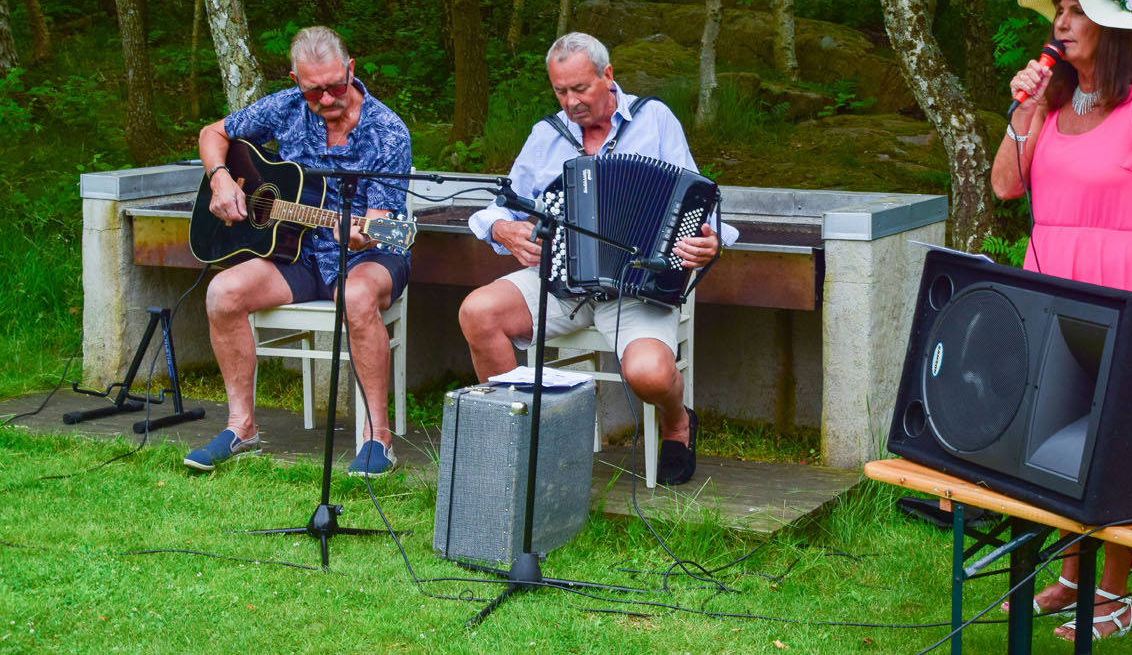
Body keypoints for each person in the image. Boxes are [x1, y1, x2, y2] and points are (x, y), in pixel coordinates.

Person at [991, 0, 1132, 643]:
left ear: (1109, 25)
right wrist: (1023, 108)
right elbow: (1005, 186)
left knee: (1111, 439)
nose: (1061, 21)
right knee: (1055, 432)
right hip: (1052, 281)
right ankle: (1071, 575)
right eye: (1058, 10)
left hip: (1124, 284)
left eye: (1075, 9)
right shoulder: (1052, 103)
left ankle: (1113, 593)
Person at [459, 32, 736, 486]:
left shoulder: (654, 120)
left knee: (649, 375)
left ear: (607, 75)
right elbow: (500, 208)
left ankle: (677, 422)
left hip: (638, 289)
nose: (571, 102)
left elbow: (700, 205)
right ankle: (519, 443)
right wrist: (501, 229)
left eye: (580, 88)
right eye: (560, 91)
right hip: (559, 283)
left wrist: (711, 243)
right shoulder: (547, 135)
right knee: (478, 311)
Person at [184, 26, 412, 478]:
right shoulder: (284, 107)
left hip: (367, 255)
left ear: (351, 69)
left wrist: (360, 233)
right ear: (295, 81)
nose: (326, 99)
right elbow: (213, 133)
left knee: (354, 296)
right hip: (295, 253)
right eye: (313, 91)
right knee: (222, 293)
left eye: (336, 86)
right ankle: (241, 428)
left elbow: (381, 224)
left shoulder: (387, 131)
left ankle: (377, 437)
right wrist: (221, 178)